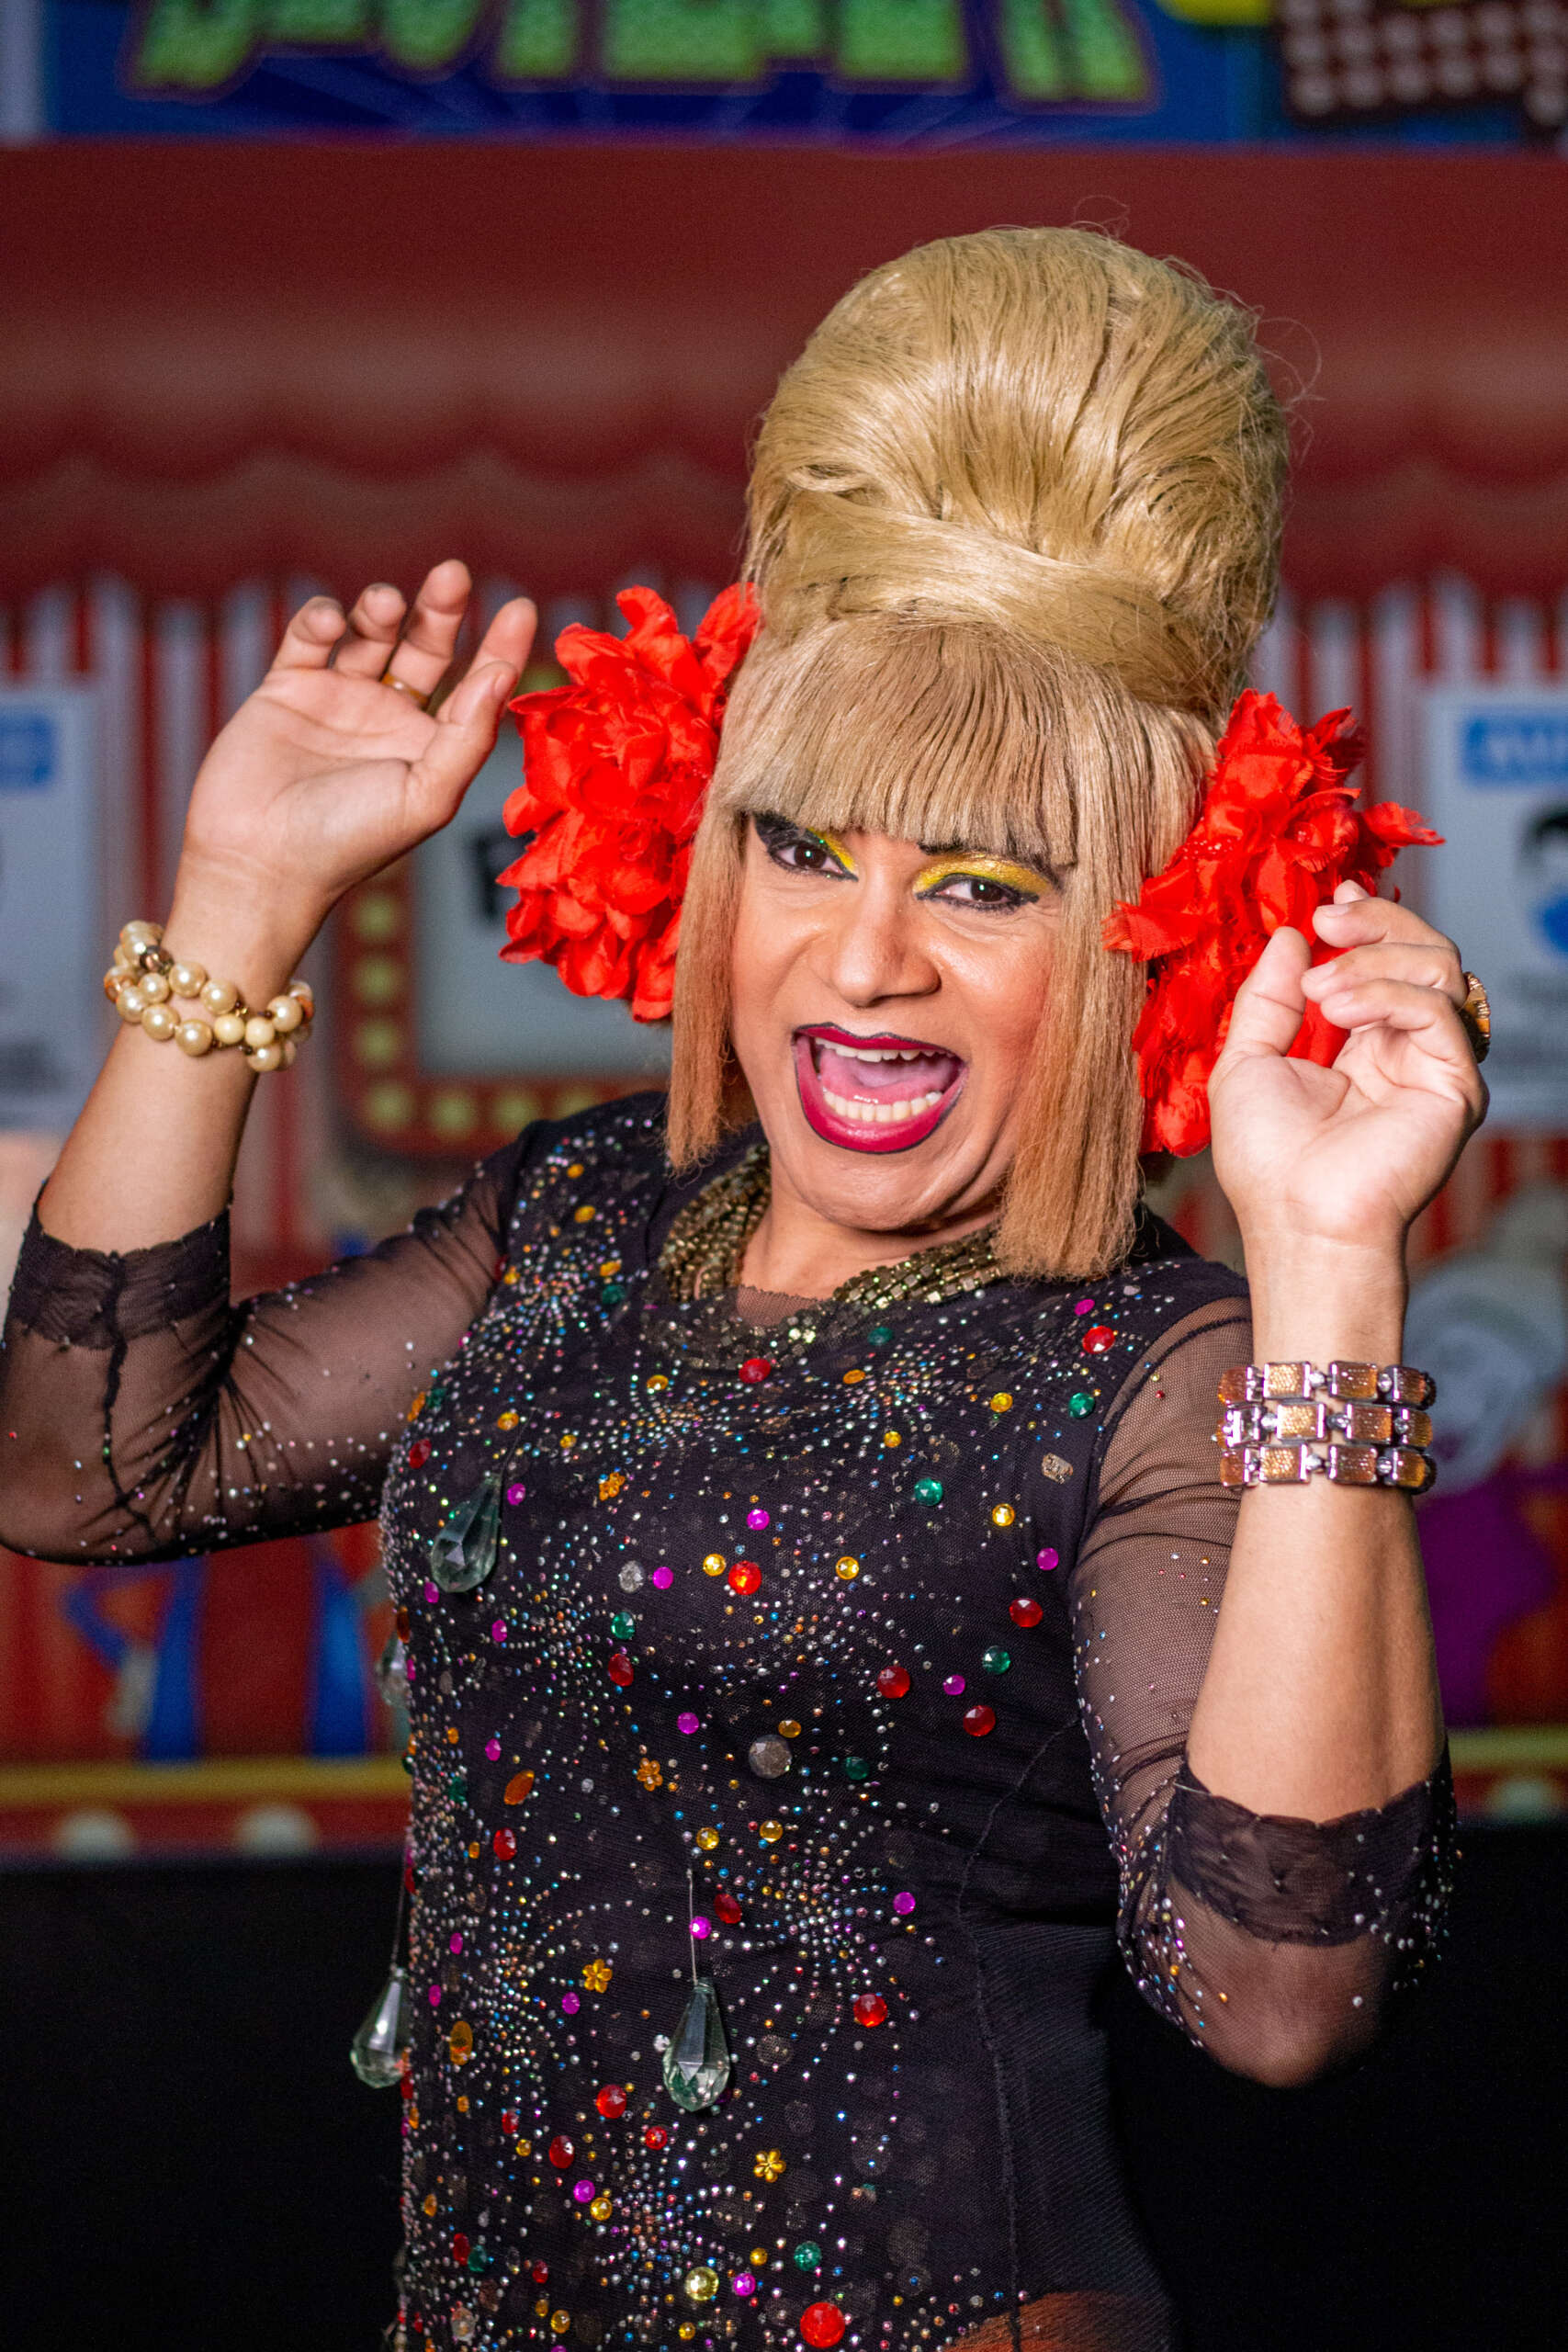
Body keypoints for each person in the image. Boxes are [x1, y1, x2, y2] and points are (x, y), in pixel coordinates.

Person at [0, 229, 1485, 2352]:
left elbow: (1276, 1990)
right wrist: (239, 901)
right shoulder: (584, 1211)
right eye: (802, 847)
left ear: (1140, 931)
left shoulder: (1149, 1365)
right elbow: (92, 1470)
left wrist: (1327, 1269)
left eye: (979, 883)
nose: (864, 959)